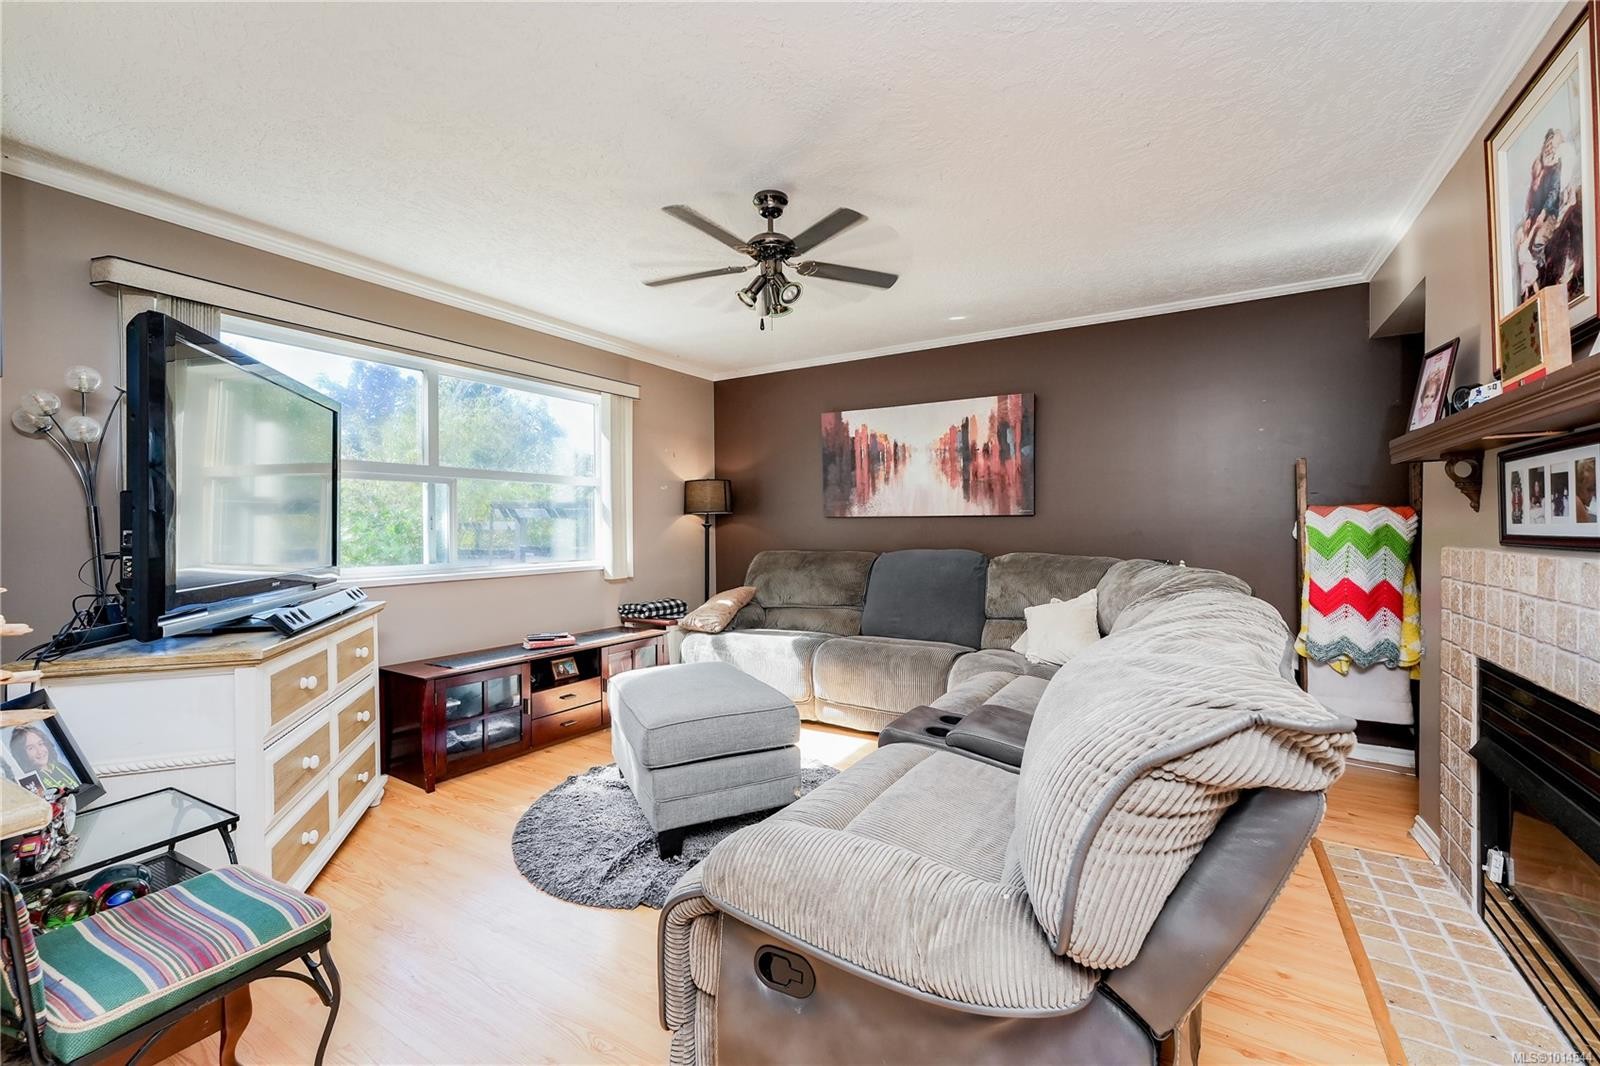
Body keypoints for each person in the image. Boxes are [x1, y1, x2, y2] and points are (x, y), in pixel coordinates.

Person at [8, 726, 78, 791]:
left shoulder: (60, 767)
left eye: (40, 744)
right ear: (22, 754)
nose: (39, 751)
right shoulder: (30, 782)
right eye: (31, 748)